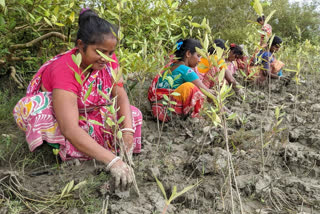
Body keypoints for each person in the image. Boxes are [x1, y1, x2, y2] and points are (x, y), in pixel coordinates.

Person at [13, 9, 142, 190]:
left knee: (133, 115)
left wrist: (127, 132)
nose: (106, 58)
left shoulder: (108, 60)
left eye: (110, 53)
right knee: (39, 113)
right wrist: (113, 161)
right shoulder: (65, 69)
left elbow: (120, 95)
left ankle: (95, 149)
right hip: (62, 116)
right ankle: (58, 152)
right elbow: (69, 128)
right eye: (100, 52)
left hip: (89, 111)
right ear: (81, 45)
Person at [148, 38, 214, 122]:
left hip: (157, 110)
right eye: (198, 56)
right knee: (190, 88)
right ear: (188, 54)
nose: (200, 60)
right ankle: (195, 118)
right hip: (167, 112)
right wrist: (224, 110)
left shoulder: (169, 66)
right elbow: (207, 92)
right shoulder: (186, 70)